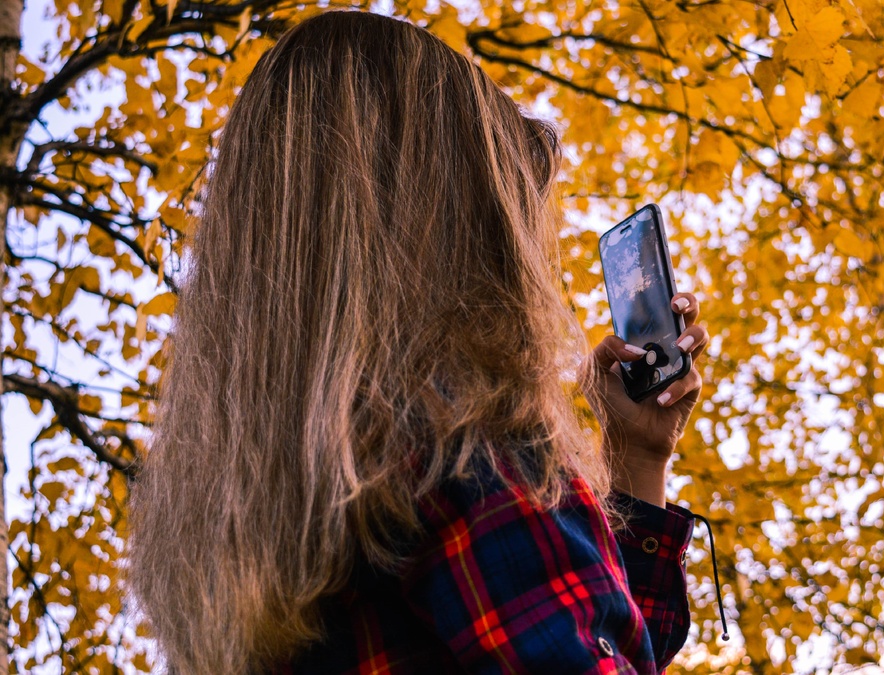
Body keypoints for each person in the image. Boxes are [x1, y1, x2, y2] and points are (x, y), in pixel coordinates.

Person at [126, 10, 725, 675]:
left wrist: (638, 459)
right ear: (453, 219)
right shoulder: (462, 440)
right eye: (511, 219)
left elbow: (592, 637)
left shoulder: (243, 514)